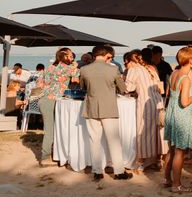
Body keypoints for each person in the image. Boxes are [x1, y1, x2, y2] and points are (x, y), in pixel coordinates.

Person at [79, 45, 132, 181]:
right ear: (106, 55)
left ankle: (97, 171)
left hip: (91, 107)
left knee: (94, 140)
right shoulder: (113, 69)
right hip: (109, 107)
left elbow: (83, 87)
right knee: (113, 141)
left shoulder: (84, 69)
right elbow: (122, 89)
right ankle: (119, 171)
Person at [164, 46, 192, 192]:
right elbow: (185, 102)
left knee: (171, 149)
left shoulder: (175, 73)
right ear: (191, 60)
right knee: (180, 151)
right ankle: (177, 185)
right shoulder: (185, 78)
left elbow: (173, 93)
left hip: (172, 112)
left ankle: (167, 179)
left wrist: (190, 87)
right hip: (181, 114)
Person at [124, 49, 166, 171]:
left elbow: (128, 88)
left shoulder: (134, 70)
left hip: (145, 103)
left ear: (131, 61)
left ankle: (142, 162)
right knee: (159, 130)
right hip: (158, 102)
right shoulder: (151, 69)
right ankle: (158, 160)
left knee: (144, 131)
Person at [38, 48, 79, 165]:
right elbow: (78, 76)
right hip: (52, 101)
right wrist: (75, 65)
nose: (73, 58)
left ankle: (52, 153)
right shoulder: (67, 68)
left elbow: (39, 83)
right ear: (65, 56)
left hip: (44, 99)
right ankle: (45, 157)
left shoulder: (50, 67)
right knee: (51, 130)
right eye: (71, 56)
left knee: (52, 129)